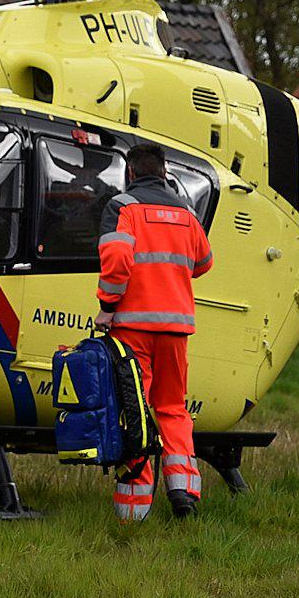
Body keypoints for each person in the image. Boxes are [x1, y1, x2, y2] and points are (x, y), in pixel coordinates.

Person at [96, 144, 214, 522]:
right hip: (176, 328)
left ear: (130, 172)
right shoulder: (187, 213)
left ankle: (133, 509)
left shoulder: (123, 208)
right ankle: (183, 491)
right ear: (164, 173)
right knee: (172, 407)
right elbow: (204, 262)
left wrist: (108, 306)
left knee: (134, 410)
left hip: (132, 328)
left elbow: (117, 260)